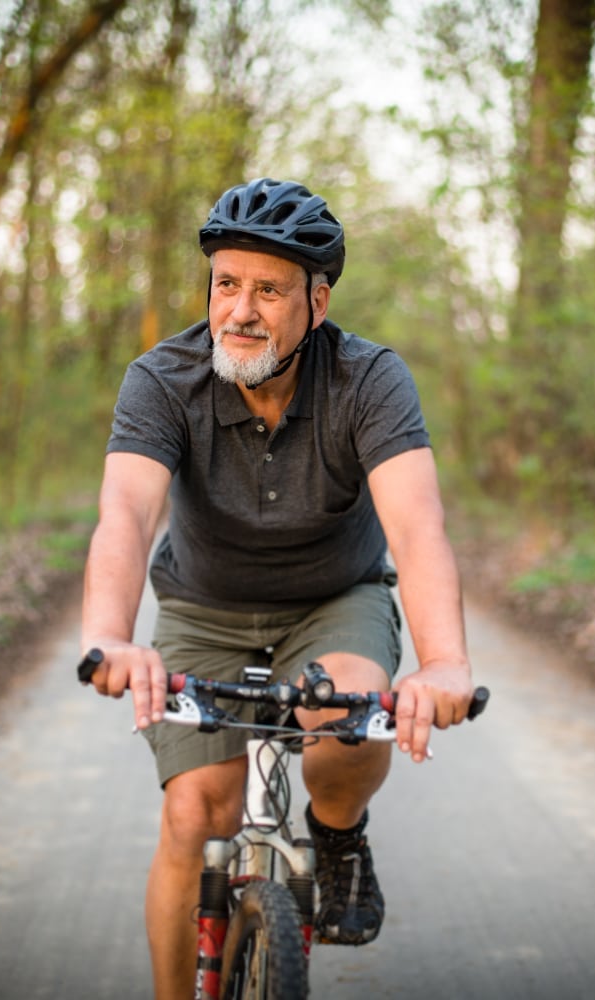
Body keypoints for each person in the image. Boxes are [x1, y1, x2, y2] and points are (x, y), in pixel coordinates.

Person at [81, 177, 475, 999]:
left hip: (335, 599)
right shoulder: (163, 379)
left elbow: (417, 527)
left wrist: (441, 661)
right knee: (197, 813)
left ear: (317, 302)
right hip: (202, 606)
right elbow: (125, 512)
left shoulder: (369, 380)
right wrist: (112, 635)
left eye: (269, 289)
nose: (241, 311)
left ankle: (337, 836)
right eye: (228, 283)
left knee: (342, 724)